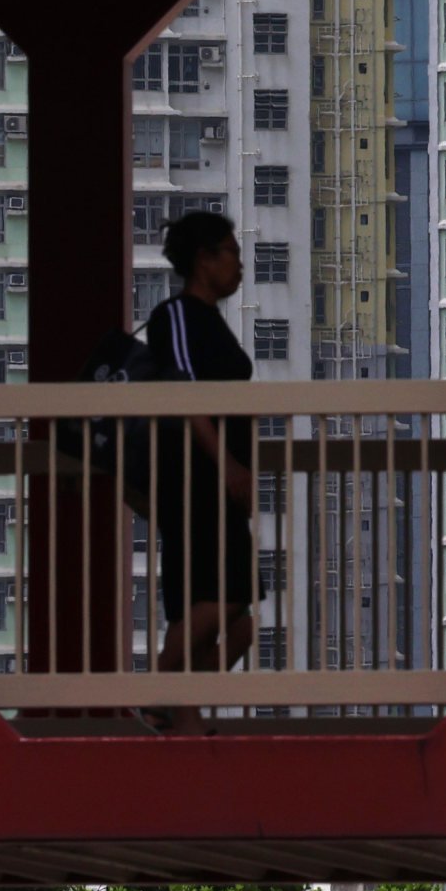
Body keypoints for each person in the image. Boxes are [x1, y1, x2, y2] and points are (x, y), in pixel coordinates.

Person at [134, 208, 259, 688]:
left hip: (219, 487)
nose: (240, 266)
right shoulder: (177, 316)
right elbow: (183, 388)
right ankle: (155, 696)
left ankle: (176, 715)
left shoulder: (208, 320)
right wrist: (226, 463)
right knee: (222, 604)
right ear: (204, 259)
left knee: (237, 623)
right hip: (195, 481)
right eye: (232, 254)